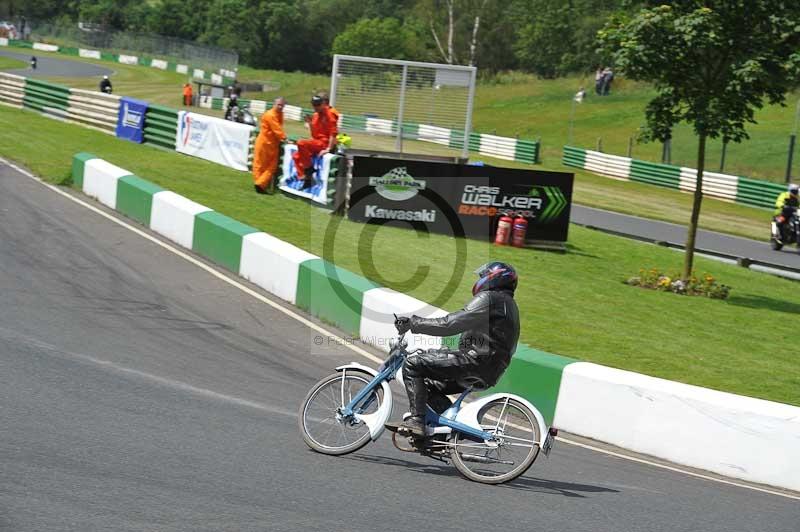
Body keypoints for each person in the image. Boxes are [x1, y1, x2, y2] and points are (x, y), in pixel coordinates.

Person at [385, 262, 520, 437]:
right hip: (488, 367)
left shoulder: (490, 298)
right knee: (427, 384)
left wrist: (413, 323)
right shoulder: (510, 305)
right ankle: (441, 434)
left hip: (475, 361)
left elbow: (451, 324)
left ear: (494, 277)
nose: (480, 279)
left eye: (483, 276)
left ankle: (416, 421)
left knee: (413, 365)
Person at [292, 94, 338, 189]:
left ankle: (309, 170)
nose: (316, 107)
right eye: (314, 105)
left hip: (324, 143)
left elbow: (333, 133)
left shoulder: (330, 113)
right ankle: (305, 178)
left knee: (301, 143)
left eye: (318, 105)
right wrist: (310, 123)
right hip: (317, 142)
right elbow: (314, 134)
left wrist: (328, 148)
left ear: (323, 104)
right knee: (296, 156)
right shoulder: (315, 115)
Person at [252, 97, 287, 194]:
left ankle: (260, 184)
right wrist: (284, 138)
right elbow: (277, 129)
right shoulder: (270, 115)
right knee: (259, 165)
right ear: (274, 104)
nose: (280, 107)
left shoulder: (280, 114)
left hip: (273, 144)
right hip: (264, 143)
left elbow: (278, 128)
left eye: (282, 105)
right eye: (278, 105)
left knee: (272, 166)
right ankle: (260, 184)